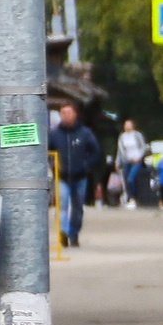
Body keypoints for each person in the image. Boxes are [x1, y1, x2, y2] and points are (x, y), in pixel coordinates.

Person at [48, 103, 101, 248]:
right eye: (63, 113)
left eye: (69, 112)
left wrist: (87, 166)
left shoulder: (85, 133)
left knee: (77, 208)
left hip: (80, 176)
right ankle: (63, 232)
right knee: (62, 206)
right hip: (62, 176)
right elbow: (47, 152)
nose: (66, 115)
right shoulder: (55, 134)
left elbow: (96, 152)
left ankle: (74, 234)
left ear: (75, 114)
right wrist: (52, 165)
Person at [115, 117, 150, 209]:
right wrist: (118, 162)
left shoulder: (137, 135)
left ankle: (133, 198)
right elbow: (120, 150)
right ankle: (129, 198)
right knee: (126, 181)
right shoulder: (122, 137)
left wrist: (139, 157)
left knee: (131, 178)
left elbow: (144, 147)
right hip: (127, 161)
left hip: (137, 160)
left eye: (128, 124)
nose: (126, 126)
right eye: (125, 124)